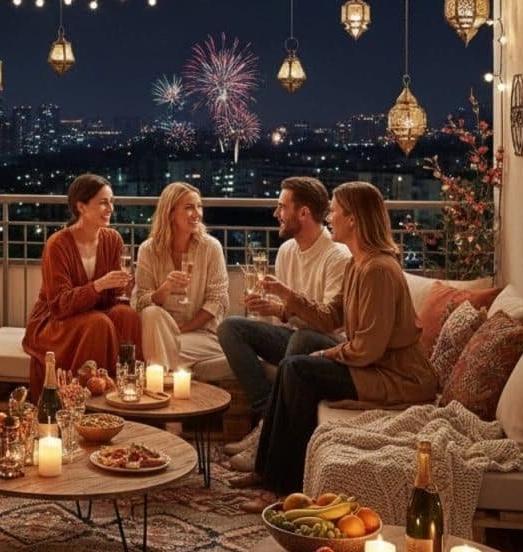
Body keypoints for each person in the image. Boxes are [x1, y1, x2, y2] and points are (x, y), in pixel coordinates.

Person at [233, 181, 437, 507]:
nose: (329, 217)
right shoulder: (359, 265)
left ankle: (283, 488)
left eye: (335, 212)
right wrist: (289, 297)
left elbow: (368, 348)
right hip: (370, 366)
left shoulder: (378, 271)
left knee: (298, 370)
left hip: (395, 376)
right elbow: (330, 317)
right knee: (292, 367)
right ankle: (267, 471)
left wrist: (326, 353)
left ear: (353, 219)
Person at [217, 177, 351, 472]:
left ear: (303, 213)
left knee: (302, 337)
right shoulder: (289, 250)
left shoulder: (336, 256)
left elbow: (330, 321)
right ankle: (267, 418)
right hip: (295, 337)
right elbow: (289, 314)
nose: (276, 214)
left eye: (282, 207)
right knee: (230, 327)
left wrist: (284, 306)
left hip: (328, 347)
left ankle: (266, 436)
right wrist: (274, 311)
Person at [21, 173, 142, 400]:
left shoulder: (112, 239)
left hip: (93, 311)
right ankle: (84, 400)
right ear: (81, 207)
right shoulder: (57, 244)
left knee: (127, 316)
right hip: (55, 320)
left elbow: (114, 297)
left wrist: (123, 287)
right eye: (103, 202)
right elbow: (59, 305)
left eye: (112, 202)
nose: (110, 208)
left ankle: (126, 390)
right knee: (99, 323)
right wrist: (98, 285)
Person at [133, 182, 230, 380]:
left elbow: (216, 301)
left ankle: (156, 387)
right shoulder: (148, 250)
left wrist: (180, 331)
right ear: (170, 213)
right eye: (189, 207)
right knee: (151, 313)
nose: (197, 213)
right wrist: (166, 288)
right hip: (160, 332)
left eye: (199, 206)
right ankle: (165, 385)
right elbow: (141, 302)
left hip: (203, 335)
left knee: (157, 352)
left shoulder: (211, 248)